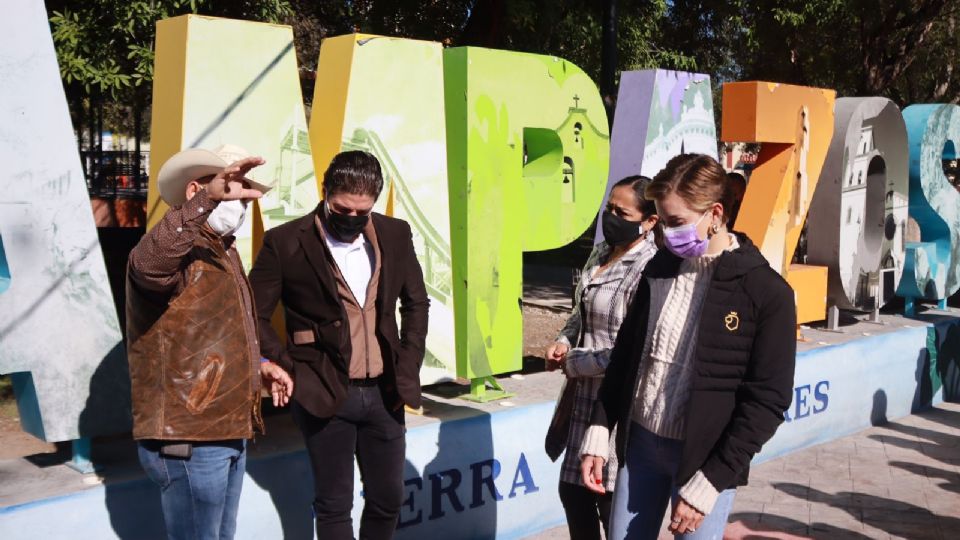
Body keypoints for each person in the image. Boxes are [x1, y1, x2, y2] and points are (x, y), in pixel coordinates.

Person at [579, 154, 796, 539]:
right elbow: (626, 358)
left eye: (676, 222)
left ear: (715, 213)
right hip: (641, 447)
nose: (664, 233)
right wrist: (600, 428)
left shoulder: (766, 293)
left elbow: (767, 401)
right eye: (661, 220)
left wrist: (709, 483)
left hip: (704, 460)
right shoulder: (658, 268)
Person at [248, 150, 430, 540]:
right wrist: (284, 364)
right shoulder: (284, 243)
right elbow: (253, 312)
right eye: (342, 209)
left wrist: (408, 364)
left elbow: (416, 303)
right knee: (334, 505)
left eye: (361, 212)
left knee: (388, 499)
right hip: (322, 391)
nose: (351, 219)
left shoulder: (395, 234)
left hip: (385, 392)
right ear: (324, 192)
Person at [126, 144, 294, 540]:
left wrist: (258, 368)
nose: (238, 203)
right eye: (231, 190)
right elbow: (148, 264)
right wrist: (207, 201)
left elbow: (210, 332)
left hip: (225, 429)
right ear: (195, 192)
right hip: (190, 435)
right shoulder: (174, 250)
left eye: (243, 194)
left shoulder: (222, 252)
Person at [543, 176, 660, 540]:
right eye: (609, 208)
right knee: (573, 494)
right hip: (581, 399)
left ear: (649, 221)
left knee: (610, 504)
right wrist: (564, 339)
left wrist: (575, 363)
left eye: (621, 212)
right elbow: (581, 310)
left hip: (618, 404)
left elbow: (635, 350)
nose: (610, 217)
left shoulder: (650, 268)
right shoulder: (601, 252)